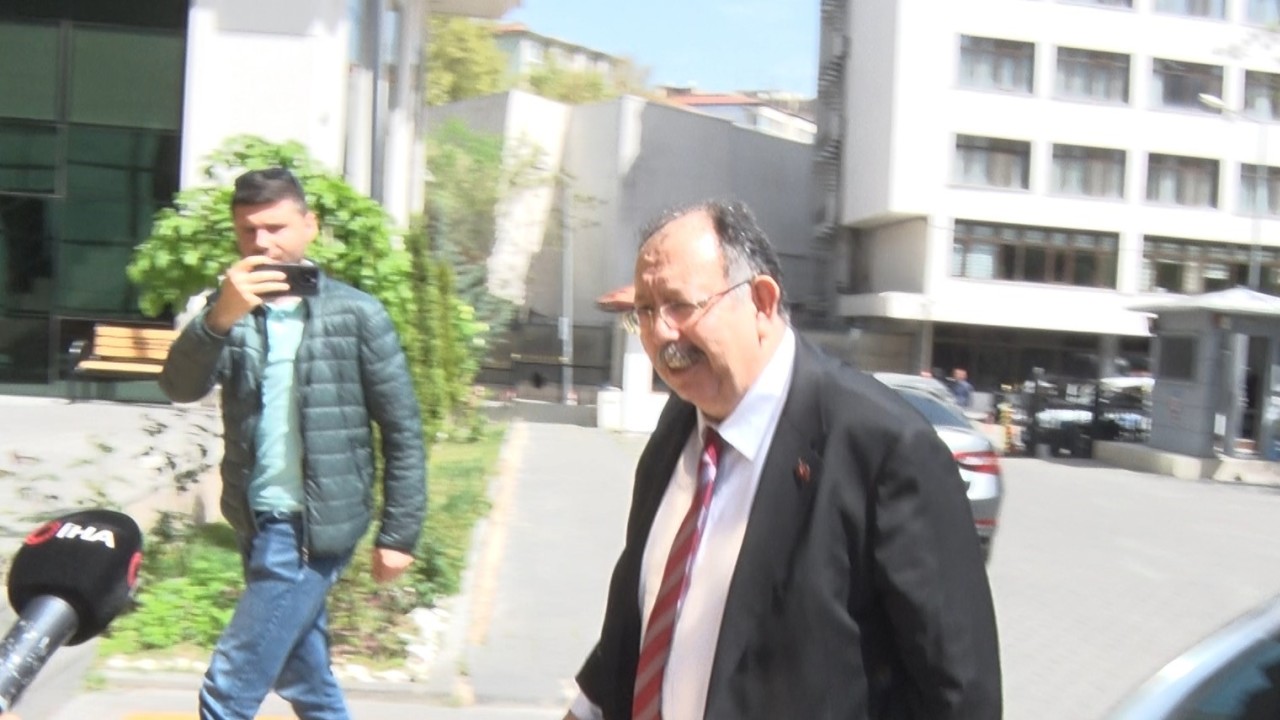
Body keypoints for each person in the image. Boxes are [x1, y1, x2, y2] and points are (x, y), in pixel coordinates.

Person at [566, 200, 1000, 720]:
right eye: (644, 311)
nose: (661, 334)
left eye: (680, 306)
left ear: (761, 302)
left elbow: (961, 696)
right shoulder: (679, 425)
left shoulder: (884, 452)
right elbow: (638, 624)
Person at [159, 167, 426, 720]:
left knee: (230, 685)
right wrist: (219, 318)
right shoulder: (228, 312)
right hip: (254, 519)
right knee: (306, 678)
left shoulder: (357, 314)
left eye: (276, 227)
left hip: (312, 528)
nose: (262, 242)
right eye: (248, 230)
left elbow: (402, 428)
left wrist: (399, 533)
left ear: (310, 226)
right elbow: (180, 387)